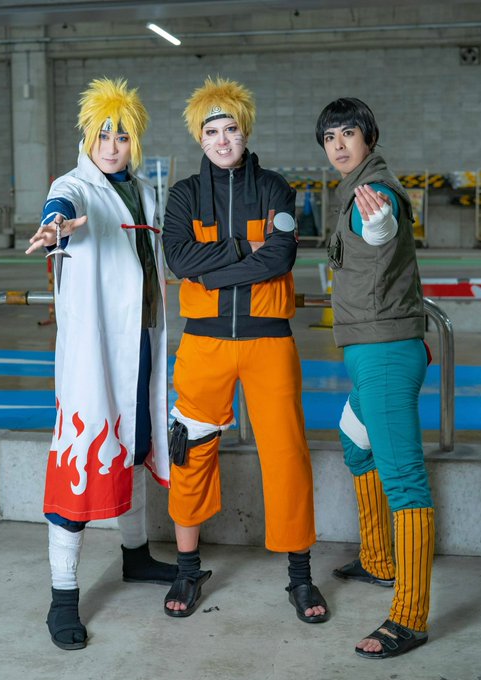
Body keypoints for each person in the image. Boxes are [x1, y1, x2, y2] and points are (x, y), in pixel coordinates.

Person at [161, 76, 328, 623]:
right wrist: (238, 248)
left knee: (287, 455)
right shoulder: (184, 194)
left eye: (230, 128)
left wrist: (210, 271)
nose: (222, 140)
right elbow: (179, 260)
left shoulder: (277, 188)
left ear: (245, 131)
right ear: (200, 138)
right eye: (212, 131)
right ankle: (188, 570)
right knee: (189, 452)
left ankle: (300, 577)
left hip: (268, 342)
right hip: (203, 344)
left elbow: (279, 257)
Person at [26, 77, 177, 651]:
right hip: (94, 353)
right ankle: (63, 595)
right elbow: (64, 208)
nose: (112, 146)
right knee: (81, 455)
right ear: (88, 137)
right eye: (104, 134)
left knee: (134, 445)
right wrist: (56, 224)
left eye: (123, 135)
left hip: (140, 343)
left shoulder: (145, 191)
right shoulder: (75, 185)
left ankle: (135, 555)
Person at [315, 97, 434, 659]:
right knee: (353, 440)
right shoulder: (351, 189)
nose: (339, 144)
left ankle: (409, 617)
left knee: (404, 482)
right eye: (330, 137)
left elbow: (380, 225)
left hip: (386, 353)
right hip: (370, 352)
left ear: (369, 137)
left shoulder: (375, 190)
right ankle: (379, 559)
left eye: (348, 133)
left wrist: (380, 222)